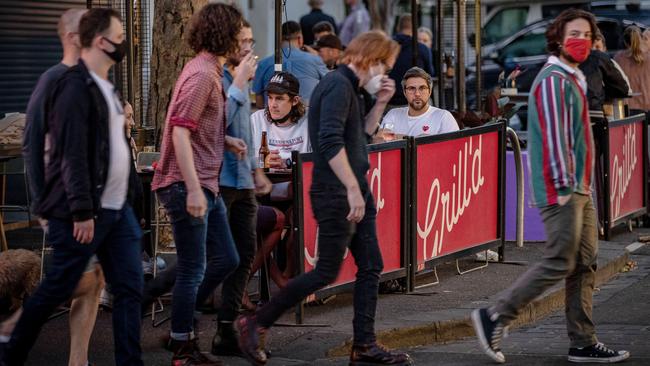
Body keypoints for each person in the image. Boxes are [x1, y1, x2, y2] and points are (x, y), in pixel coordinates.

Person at [236, 30, 413, 366]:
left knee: (371, 265)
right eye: (383, 66)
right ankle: (257, 321)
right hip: (336, 191)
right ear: (369, 60)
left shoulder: (351, 89)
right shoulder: (337, 86)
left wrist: (379, 104)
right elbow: (330, 142)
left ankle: (364, 344)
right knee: (326, 271)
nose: (384, 74)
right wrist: (350, 188)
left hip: (351, 187)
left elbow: (360, 136)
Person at [471, 9, 630, 364]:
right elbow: (558, 139)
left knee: (584, 262)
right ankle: (496, 314)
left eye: (588, 36)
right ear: (557, 38)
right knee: (561, 259)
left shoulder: (572, 77)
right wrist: (565, 189)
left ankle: (583, 341)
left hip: (577, 186)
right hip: (564, 187)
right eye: (575, 34)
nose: (582, 41)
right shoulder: (556, 79)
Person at [2, 8, 145, 366]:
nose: (124, 42)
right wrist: (49, 208)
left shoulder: (104, 85)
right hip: (79, 208)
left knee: (119, 286)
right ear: (90, 39)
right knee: (62, 285)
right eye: (119, 35)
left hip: (113, 208)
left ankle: (93, 359)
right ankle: (12, 343)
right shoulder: (62, 83)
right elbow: (50, 149)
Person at [151, 3, 247, 365]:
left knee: (227, 258)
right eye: (239, 32)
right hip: (187, 183)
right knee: (194, 266)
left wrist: (226, 141)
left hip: (205, 182)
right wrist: (192, 189)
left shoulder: (210, 70)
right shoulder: (204, 74)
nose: (243, 39)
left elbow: (198, 127)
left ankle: (182, 323)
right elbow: (179, 131)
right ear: (223, 33)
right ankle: (182, 346)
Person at [211, 20, 273, 357]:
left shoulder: (239, 79)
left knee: (244, 255)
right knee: (214, 258)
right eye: (243, 41)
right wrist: (238, 82)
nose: (249, 47)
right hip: (218, 180)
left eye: (251, 39)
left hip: (242, 181)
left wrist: (255, 172)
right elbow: (213, 126)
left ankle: (226, 331)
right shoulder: (214, 78)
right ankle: (180, 324)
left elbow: (243, 131)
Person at [245, 72, 312, 311]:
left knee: (297, 225)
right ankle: (280, 284)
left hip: (295, 192)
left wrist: (287, 164)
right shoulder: (257, 120)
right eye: (270, 97)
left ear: (294, 101)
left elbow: (313, 160)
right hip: (262, 192)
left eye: (280, 99)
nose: (273, 104)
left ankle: (287, 280)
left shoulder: (307, 121)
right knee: (266, 227)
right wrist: (262, 162)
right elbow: (245, 157)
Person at [253, 21, 328, 109]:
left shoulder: (263, 64)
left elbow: (259, 102)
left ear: (279, 40)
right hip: (307, 117)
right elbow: (331, 84)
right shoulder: (314, 60)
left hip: (274, 119)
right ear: (299, 39)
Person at [379, 67, 457, 140]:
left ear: (429, 92)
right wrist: (418, 140)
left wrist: (396, 137)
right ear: (404, 93)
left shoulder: (443, 117)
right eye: (411, 88)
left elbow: (454, 148)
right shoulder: (393, 114)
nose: (417, 94)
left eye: (422, 88)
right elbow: (378, 140)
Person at [388, 15, 435, 107]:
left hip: (389, 102)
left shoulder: (386, 47)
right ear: (415, 29)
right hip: (415, 102)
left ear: (398, 27)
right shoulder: (422, 49)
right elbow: (430, 74)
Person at [614, 26, 650, 111]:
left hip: (625, 108)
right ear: (640, 39)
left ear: (625, 42)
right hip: (647, 106)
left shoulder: (618, 58)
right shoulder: (648, 57)